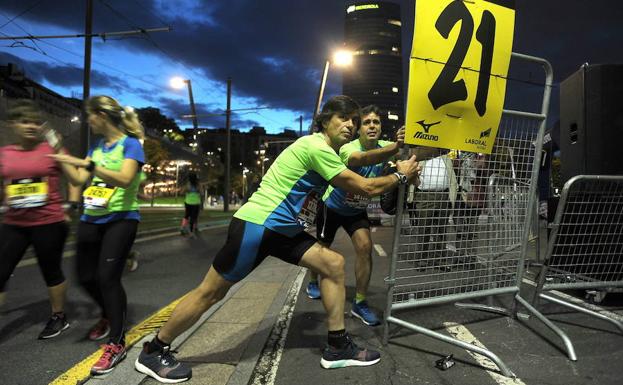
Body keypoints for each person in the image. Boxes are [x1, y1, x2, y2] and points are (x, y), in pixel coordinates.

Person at [134, 95, 420, 383]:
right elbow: (366, 187)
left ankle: (336, 346)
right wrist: (400, 175)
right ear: (323, 121)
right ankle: (153, 350)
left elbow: (365, 158)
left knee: (332, 264)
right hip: (260, 225)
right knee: (211, 293)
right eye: (343, 118)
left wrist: (398, 148)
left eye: (354, 121)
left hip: (283, 229)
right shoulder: (314, 146)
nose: (350, 124)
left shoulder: (333, 152)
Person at [50, 95, 145, 375]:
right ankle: (107, 312)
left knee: (107, 278)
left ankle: (117, 342)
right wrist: (63, 156)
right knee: (85, 276)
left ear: (102, 116)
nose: (88, 120)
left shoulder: (131, 145)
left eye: (90, 116)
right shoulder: (97, 146)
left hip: (121, 219)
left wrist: (90, 167)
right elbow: (79, 180)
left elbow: (126, 179)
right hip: (91, 216)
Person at [306, 105, 404, 327]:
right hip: (331, 205)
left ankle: (360, 303)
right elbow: (361, 159)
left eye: (376, 123)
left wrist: (441, 146)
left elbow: (413, 154)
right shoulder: (348, 147)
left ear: (380, 128)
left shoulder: (387, 148)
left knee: (365, 247)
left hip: (356, 210)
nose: (371, 126)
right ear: (359, 129)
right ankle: (312, 280)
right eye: (367, 122)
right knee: (321, 248)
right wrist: (396, 148)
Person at [0, 99, 78, 339]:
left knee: (51, 271)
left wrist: (71, 207)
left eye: (35, 122)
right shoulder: (4, 153)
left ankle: (58, 316)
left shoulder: (53, 151)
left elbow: (74, 179)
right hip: (14, 223)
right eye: (25, 122)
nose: (30, 126)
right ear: (13, 124)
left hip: (49, 222)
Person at [182, 172, 203, 237]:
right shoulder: (198, 185)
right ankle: (192, 230)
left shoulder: (188, 185)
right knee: (194, 217)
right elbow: (201, 193)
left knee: (186, 215)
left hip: (187, 202)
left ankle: (183, 228)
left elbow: (182, 192)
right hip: (196, 203)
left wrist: (188, 192)